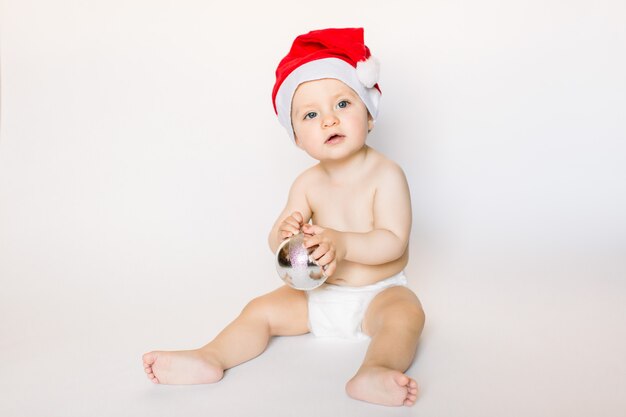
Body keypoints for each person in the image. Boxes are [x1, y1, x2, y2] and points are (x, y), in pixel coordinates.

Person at [142, 27, 425, 407]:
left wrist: (341, 243)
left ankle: (376, 369)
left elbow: (393, 241)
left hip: (377, 294)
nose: (329, 120)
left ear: (370, 114)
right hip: (318, 294)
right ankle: (211, 356)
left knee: (405, 316)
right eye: (311, 114)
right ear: (296, 138)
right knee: (260, 310)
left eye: (343, 104)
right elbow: (277, 240)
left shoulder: (385, 174)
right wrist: (284, 234)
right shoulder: (307, 183)